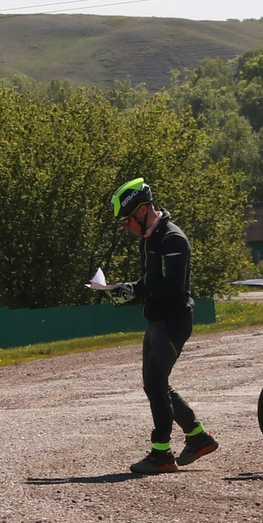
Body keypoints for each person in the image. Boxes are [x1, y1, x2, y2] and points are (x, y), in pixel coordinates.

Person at [108, 178, 217, 476]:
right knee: (155, 384)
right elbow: (151, 282)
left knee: (156, 384)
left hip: (173, 322)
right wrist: (126, 290)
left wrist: (136, 290)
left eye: (127, 219)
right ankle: (198, 438)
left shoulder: (172, 239)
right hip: (157, 320)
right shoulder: (150, 239)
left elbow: (173, 285)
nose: (126, 226)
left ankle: (162, 454)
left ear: (143, 210)